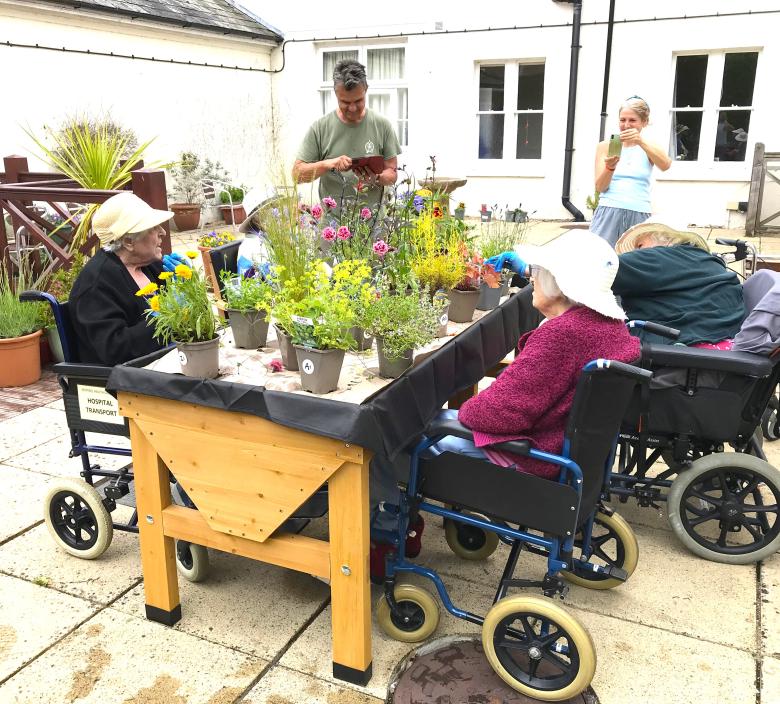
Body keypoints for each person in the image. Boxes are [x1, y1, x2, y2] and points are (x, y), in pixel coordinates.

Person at [370, 232, 640, 579]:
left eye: (538, 271)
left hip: (531, 454)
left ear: (560, 283)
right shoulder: (610, 329)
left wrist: (464, 411)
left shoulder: (562, 335)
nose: (531, 277)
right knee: (426, 419)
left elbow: (495, 413)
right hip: (567, 452)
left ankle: (388, 530)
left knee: (386, 438)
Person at [69, 192, 174, 365]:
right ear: (128, 242)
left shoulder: (151, 265)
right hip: (124, 380)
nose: (162, 232)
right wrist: (167, 318)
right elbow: (114, 349)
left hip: (163, 362)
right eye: (153, 228)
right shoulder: (96, 285)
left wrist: (190, 285)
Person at [613, 220, 745, 346]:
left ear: (664, 239)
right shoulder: (710, 262)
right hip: (725, 344)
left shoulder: (658, 258)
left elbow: (601, 268)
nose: (635, 253)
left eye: (640, 246)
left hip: (679, 348)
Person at [292, 59, 400, 209]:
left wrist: (376, 178)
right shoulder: (320, 128)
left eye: (359, 100)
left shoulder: (382, 125)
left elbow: (392, 173)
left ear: (366, 90)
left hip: (374, 227)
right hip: (332, 227)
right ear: (336, 94)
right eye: (345, 102)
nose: (353, 108)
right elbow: (297, 174)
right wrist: (330, 163)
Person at [591, 97, 672, 247]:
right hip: (609, 210)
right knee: (601, 258)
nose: (626, 125)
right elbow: (600, 187)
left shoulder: (649, 147)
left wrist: (640, 142)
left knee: (635, 260)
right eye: (622, 120)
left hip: (639, 211)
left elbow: (665, 165)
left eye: (632, 120)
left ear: (644, 122)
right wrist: (610, 168)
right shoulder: (606, 146)